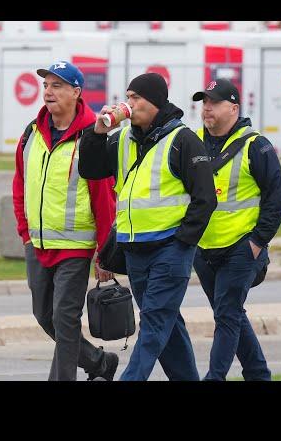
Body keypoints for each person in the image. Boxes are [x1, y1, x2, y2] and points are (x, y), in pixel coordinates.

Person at [78, 73, 217, 381]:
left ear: (155, 102)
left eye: (136, 98)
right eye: (128, 97)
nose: (130, 104)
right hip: (135, 250)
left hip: (170, 249)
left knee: (154, 323)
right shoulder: (123, 138)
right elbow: (90, 168)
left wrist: (183, 242)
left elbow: (205, 198)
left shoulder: (182, 139)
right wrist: (98, 132)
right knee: (168, 323)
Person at [12, 60, 119, 381]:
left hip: (75, 247)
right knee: (44, 316)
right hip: (38, 243)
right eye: (46, 85)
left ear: (76, 92)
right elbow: (20, 183)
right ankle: (99, 363)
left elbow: (104, 199)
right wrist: (25, 233)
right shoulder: (31, 132)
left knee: (65, 318)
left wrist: (105, 251)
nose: (48, 92)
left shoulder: (92, 136)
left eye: (57, 86)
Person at [191, 78, 281, 381]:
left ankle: (214, 377)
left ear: (233, 108)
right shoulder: (191, 141)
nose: (207, 109)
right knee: (229, 314)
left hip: (241, 248)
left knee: (227, 315)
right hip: (203, 249)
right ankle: (259, 374)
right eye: (204, 102)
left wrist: (257, 243)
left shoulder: (255, 145)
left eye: (214, 103)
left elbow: (277, 199)